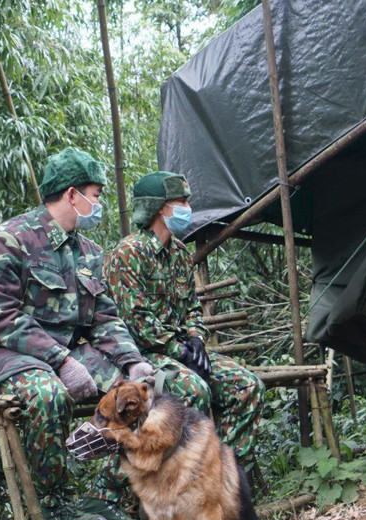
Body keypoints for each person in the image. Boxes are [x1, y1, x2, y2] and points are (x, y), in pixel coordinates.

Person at [0, 147, 153, 520]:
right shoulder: (8, 240)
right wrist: (62, 360)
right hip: (5, 356)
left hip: (65, 353)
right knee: (47, 395)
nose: (99, 203)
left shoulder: (87, 252)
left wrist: (132, 362)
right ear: (73, 195)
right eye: (96, 194)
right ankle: (56, 507)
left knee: (141, 393)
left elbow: (104, 318)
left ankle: (104, 496)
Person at [104, 171, 266, 462]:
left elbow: (191, 306)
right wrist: (180, 350)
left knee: (248, 386)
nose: (186, 208)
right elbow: (136, 321)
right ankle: (185, 479)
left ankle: (228, 472)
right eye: (179, 201)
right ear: (158, 207)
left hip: (181, 350)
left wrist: (196, 339)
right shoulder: (127, 254)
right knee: (195, 391)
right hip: (145, 357)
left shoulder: (178, 252)